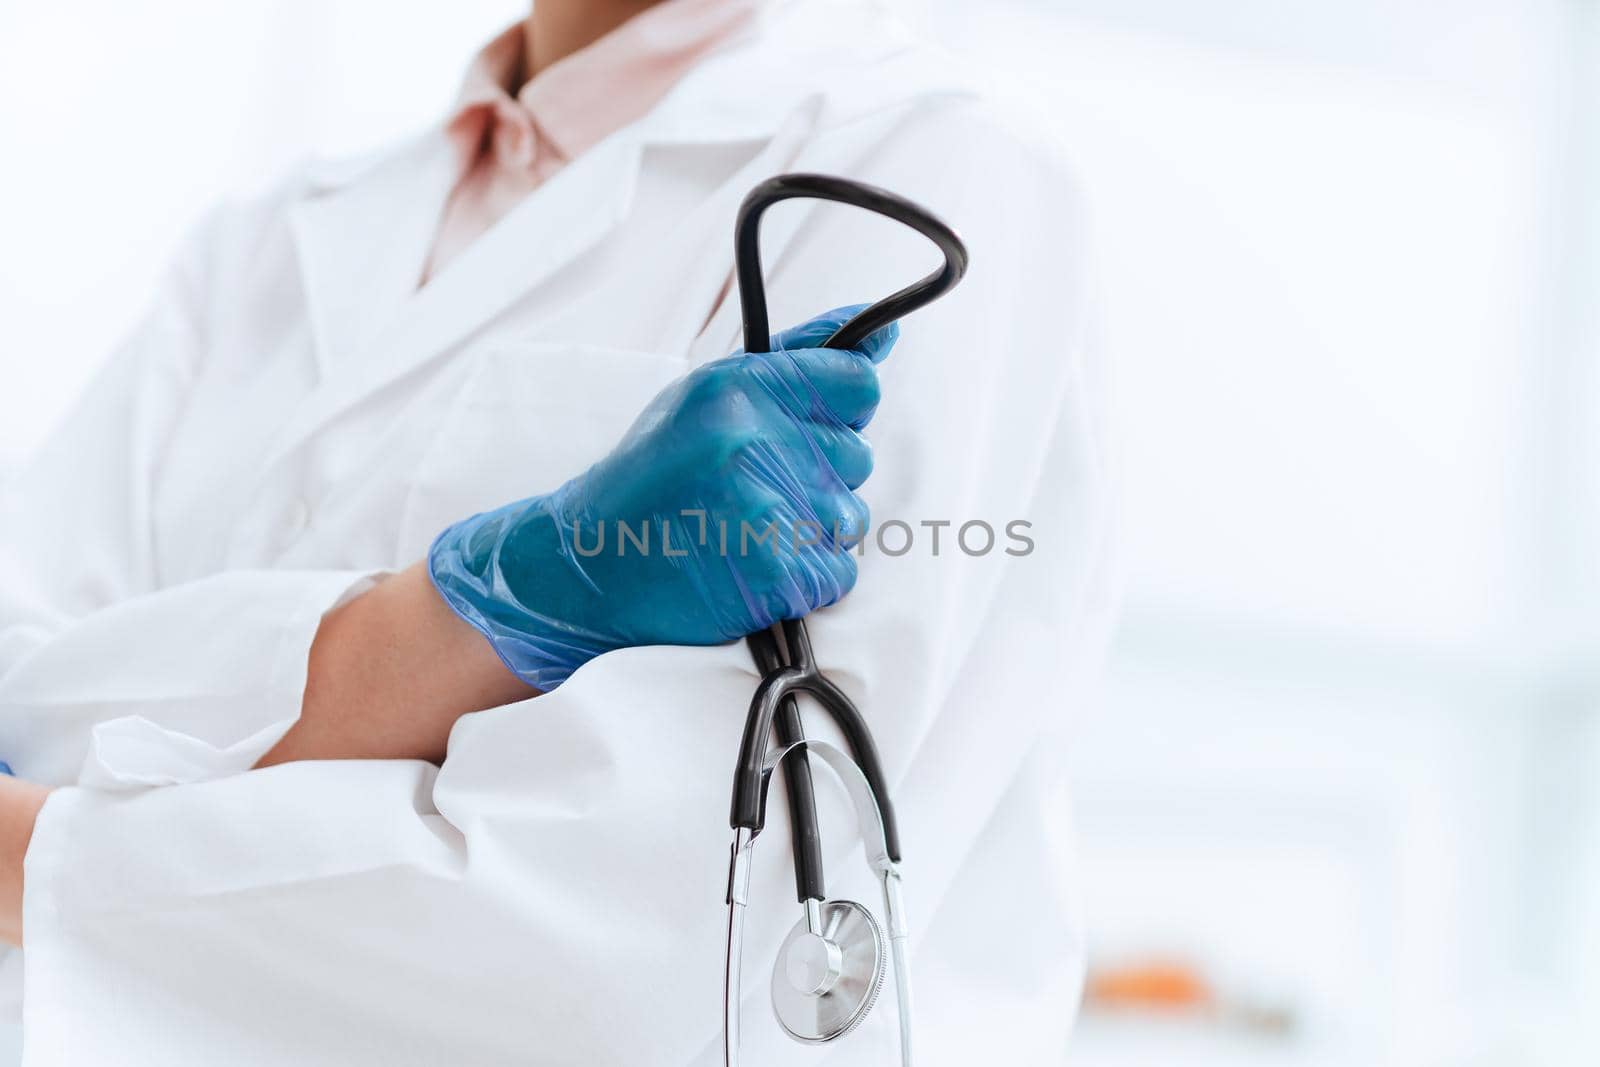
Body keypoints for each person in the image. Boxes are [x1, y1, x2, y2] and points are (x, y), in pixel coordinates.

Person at [0, 0, 1112, 1062]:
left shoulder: (934, 172)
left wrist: (33, 851)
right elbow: (19, 688)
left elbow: (622, 939)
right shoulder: (263, 244)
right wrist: (455, 636)